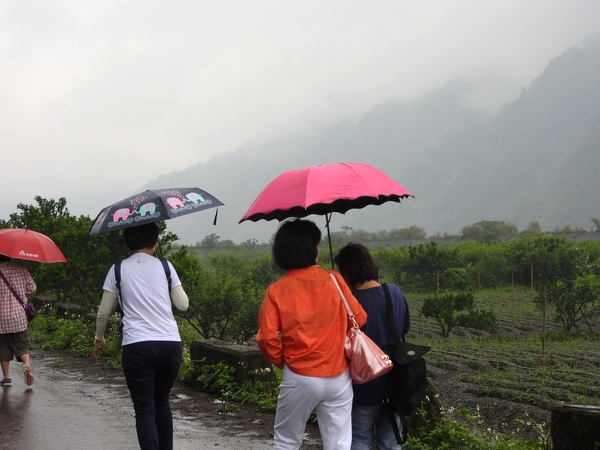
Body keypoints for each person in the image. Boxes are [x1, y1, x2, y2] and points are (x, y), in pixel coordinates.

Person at [256, 219, 368, 450]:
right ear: (311, 249)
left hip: (299, 375)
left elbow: (267, 338)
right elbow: (360, 317)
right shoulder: (334, 279)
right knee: (338, 444)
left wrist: (284, 362)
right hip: (338, 374)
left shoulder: (276, 290)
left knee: (287, 442)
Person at [92, 223, 189, 450]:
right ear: (155, 241)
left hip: (136, 346)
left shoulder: (117, 269)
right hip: (170, 344)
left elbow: (103, 312)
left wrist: (99, 339)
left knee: (145, 409)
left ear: (128, 241)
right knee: (162, 402)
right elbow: (183, 305)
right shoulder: (166, 266)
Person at [333, 243, 411, 450]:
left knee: (359, 438)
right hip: (395, 380)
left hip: (364, 383)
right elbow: (405, 327)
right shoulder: (393, 292)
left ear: (347, 271)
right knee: (390, 442)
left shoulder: (348, 303)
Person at [0, 254, 36, 387]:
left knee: (3, 347)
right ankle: (26, 364)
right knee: (22, 345)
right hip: (19, 316)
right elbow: (32, 288)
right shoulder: (22, 269)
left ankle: (6, 378)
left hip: (1, 318)